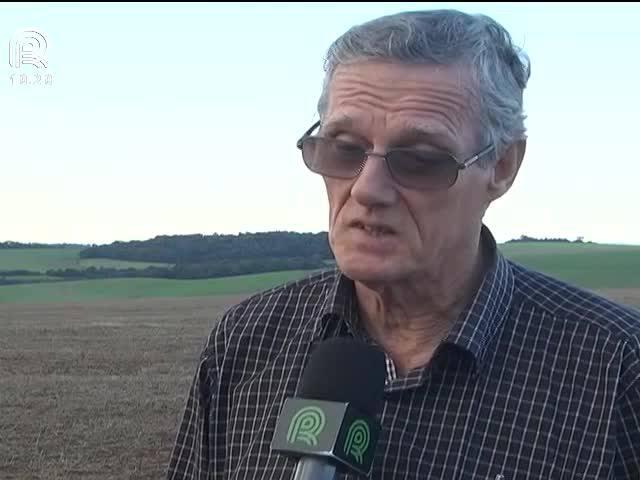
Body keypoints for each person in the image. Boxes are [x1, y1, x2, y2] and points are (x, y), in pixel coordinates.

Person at [167, 9, 640, 479]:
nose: (367, 189)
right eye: (345, 149)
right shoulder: (246, 342)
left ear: (501, 166)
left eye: (419, 159)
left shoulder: (616, 368)